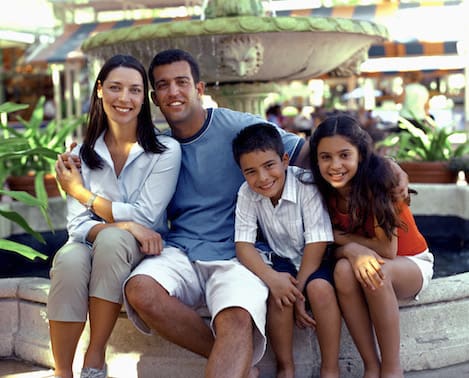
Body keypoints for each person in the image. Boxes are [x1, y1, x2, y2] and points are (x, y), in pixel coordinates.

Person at [122, 48, 308, 378]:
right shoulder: (159, 149)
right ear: (154, 96)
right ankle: (236, 362)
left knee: (235, 319)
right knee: (139, 290)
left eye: (182, 82)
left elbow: (302, 151)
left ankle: (233, 356)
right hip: (181, 250)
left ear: (199, 88)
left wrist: (378, 168)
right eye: (163, 85)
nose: (173, 92)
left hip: (240, 254)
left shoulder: (237, 127)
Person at [48, 54, 181, 378]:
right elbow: (77, 225)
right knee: (68, 260)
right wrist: (124, 223)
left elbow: (147, 219)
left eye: (134, 90)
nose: (125, 98)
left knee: (112, 239)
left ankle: (95, 359)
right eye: (115, 88)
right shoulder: (80, 153)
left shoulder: (165, 151)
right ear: (99, 91)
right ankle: (62, 371)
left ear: (144, 98)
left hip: (140, 250)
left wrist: (81, 193)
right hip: (92, 242)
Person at [309, 114, 434, 378]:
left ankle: (391, 368)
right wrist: (350, 250)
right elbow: (330, 246)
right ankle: (371, 365)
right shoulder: (323, 191)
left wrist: (341, 240)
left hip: (410, 262)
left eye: (345, 155)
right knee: (343, 270)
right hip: (366, 261)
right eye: (325, 157)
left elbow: (387, 251)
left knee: (377, 270)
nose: (335, 165)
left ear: (360, 155)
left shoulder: (377, 183)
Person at [232, 123, 341, 378]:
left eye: (269, 166)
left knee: (320, 291)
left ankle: (330, 369)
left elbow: (317, 242)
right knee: (278, 296)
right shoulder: (247, 193)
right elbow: (243, 245)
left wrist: (299, 291)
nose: (262, 178)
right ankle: (285, 367)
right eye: (251, 171)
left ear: (284, 160)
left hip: (316, 259)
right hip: (281, 258)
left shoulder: (306, 185)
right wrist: (273, 279)